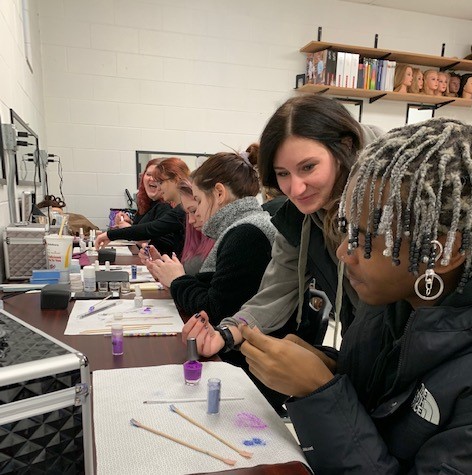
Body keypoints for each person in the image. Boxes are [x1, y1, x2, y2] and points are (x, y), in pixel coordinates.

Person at [238, 117, 472, 474]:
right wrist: (331, 367)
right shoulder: (386, 306)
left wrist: (320, 391)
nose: (344, 253)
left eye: (365, 239)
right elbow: (385, 398)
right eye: (345, 228)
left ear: (441, 252)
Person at [182, 95, 382, 360]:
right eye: (283, 173)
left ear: (344, 147)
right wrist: (226, 332)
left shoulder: (389, 201)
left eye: (308, 167)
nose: (296, 189)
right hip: (365, 349)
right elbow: (275, 292)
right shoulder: (299, 219)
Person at [147, 147, 276, 324]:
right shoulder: (241, 226)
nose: (197, 212)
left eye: (198, 200)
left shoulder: (246, 234)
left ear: (219, 193)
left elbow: (215, 311)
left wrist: (177, 280)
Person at [95, 158, 189, 257]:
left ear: (175, 180)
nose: (159, 187)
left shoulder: (179, 210)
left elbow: (150, 229)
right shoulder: (177, 208)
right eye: (148, 175)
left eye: (161, 182)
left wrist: (110, 235)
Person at [139, 179, 214, 276]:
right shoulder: (195, 236)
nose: (191, 220)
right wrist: (160, 266)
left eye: (193, 211)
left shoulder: (220, 243)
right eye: (188, 213)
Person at [113, 158, 169, 228]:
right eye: (148, 174)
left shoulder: (166, 207)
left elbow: (154, 236)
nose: (152, 179)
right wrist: (130, 222)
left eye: (157, 176)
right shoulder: (147, 202)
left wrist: (128, 229)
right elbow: (144, 228)